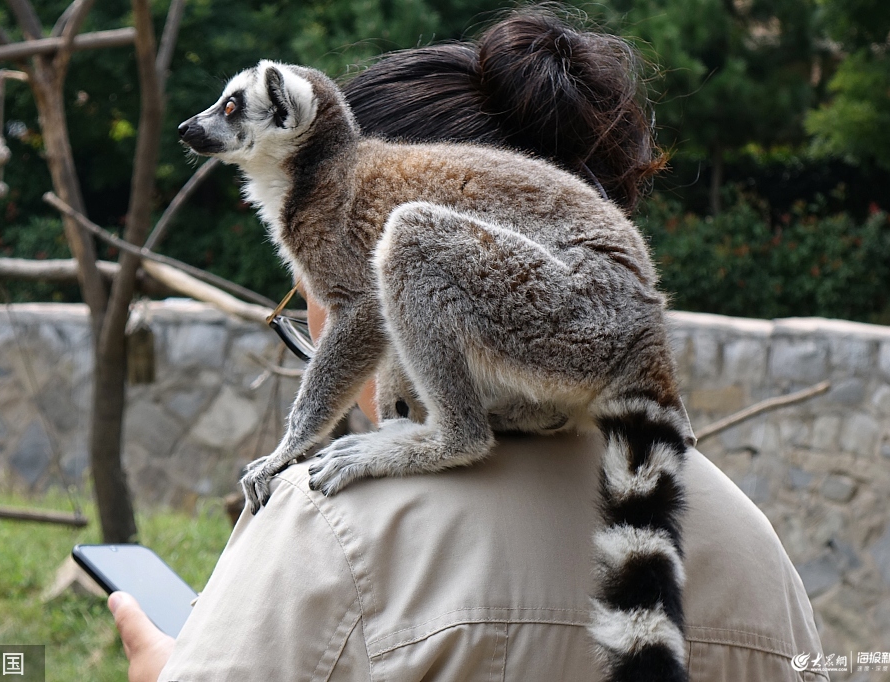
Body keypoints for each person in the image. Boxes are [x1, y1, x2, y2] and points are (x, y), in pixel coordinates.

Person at [109, 9, 827, 681]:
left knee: (408, 248)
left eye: (307, 302)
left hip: (559, 337)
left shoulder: (332, 525)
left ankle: (453, 431)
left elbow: (364, 311)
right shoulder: (754, 546)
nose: (316, 319)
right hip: (590, 358)